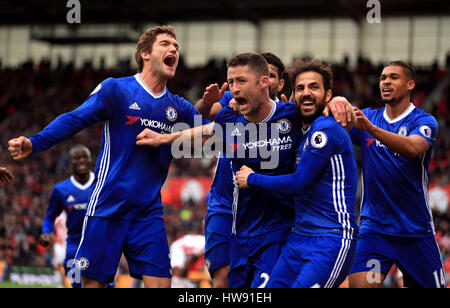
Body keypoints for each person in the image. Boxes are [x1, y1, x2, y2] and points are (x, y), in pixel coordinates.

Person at [8, 25, 209, 288]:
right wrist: (34, 143)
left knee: (162, 285)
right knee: (92, 284)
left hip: (148, 213)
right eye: (165, 44)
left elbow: (215, 132)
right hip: (107, 207)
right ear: (145, 54)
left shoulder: (177, 106)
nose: (174, 49)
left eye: (176, 46)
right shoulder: (116, 89)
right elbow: (75, 118)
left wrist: (204, 111)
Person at [136, 53, 354, 288]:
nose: (234, 89)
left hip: (278, 230)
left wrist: (338, 101)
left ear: (263, 82)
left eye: (241, 81)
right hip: (239, 229)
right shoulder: (229, 117)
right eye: (231, 83)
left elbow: (327, 115)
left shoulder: (291, 116)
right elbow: (203, 129)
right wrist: (164, 137)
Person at [235, 59, 358, 288]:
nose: (306, 93)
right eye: (300, 88)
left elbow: (300, 183)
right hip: (298, 238)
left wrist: (252, 179)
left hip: (331, 239)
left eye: (314, 87)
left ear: (328, 94)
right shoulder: (301, 131)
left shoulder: (325, 129)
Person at [347, 61, 446, 288]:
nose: (386, 82)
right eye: (382, 78)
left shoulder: (423, 121)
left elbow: (412, 148)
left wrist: (370, 129)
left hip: (415, 231)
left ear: (410, 84)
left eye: (393, 77)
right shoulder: (368, 116)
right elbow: (332, 124)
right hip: (375, 230)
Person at [198, 52, 287, 288]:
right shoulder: (233, 100)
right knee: (223, 276)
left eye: (272, 75)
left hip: (262, 214)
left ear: (277, 82)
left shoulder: (288, 116)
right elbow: (200, 116)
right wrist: (208, 102)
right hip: (223, 205)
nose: (265, 79)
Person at [39, 144, 95, 288]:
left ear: (90, 161)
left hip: (100, 245)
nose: (81, 160)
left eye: (85, 157)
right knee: (76, 285)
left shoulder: (101, 184)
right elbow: (50, 217)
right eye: (77, 158)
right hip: (74, 246)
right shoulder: (61, 190)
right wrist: (46, 232)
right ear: (69, 163)